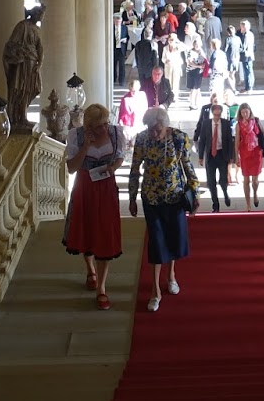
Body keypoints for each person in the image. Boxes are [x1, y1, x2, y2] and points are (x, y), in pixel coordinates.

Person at [129, 106, 199, 312]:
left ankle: (171, 276)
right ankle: (154, 290)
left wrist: (195, 192)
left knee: (174, 238)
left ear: (166, 125)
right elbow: (134, 170)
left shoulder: (178, 138)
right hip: (151, 198)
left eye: (158, 129)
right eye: (150, 128)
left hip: (175, 197)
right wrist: (132, 197)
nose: (154, 133)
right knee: (157, 242)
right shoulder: (142, 139)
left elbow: (188, 166)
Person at [63, 103, 126, 309]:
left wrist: (113, 168)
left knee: (105, 233)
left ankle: (102, 287)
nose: (104, 129)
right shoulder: (76, 136)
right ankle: (90, 268)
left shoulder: (116, 133)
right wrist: (86, 147)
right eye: (100, 126)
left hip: (106, 187)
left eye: (106, 123)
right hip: (85, 187)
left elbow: (120, 157)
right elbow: (72, 168)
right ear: (89, 126)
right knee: (88, 230)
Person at [196, 101, 235, 211]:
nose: (217, 112)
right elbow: (202, 140)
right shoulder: (206, 123)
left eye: (219, 110)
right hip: (210, 156)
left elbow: (229, 140)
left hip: (222, 155)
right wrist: (200, 156)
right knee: (211, 182)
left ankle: (225, 193)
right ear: (212, 112)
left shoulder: (226, 123)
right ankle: (215, 204)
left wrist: (231, 156)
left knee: (223, 180)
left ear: (221, 112)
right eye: (215, 110)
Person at [235, 103, 264, 208]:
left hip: (256, 152)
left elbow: (263, 134)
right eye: (243, 112)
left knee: (254, 180)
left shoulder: (256, 121)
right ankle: (248, 204)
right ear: (240, 114)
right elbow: (236, 141)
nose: (245, 114)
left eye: (246, 111)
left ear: (250, 111)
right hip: (245, 153)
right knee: (246, 180)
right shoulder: (239, 125)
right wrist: (236, 156)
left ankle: (255, 193)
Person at [119, 78, 146, 142]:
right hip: (129, 124)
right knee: (129, 143)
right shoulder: (125, 98)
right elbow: (122, 112)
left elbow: (145, 108)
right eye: (132, 90)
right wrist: (120, 123)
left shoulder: (142, 95)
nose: (134, 92)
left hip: (139, 123)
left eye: (135, 91)